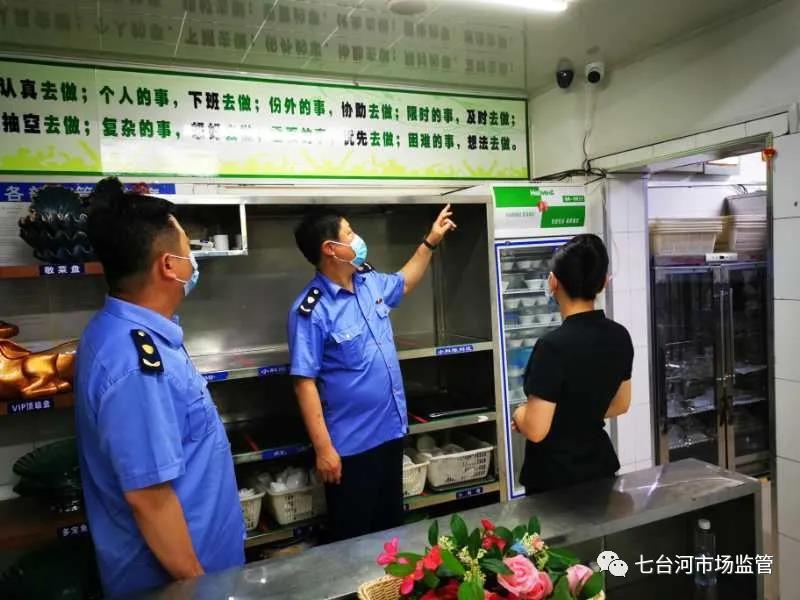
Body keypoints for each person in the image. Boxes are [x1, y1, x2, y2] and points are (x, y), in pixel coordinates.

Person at [74, 178, 244, 597]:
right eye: (188, 250)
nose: (193, 260)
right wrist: (199, 585)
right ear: (169, 265)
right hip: (179, 583)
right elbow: (149, 499)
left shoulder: (127, 332)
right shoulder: (135, 363)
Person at [287, 205, 456, 541]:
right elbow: (304, 383)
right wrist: (324, 449)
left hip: (390, 434)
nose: (358, 238)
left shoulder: (368, 281)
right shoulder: (311, 310)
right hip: (351, 448)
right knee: (355, 542)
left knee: (390, 535)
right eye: (349, 233)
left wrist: (431, 241)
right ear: (330, 248)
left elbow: (403, 282)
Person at [512, 234, 633, 495]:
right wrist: (577, 414)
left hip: (554, 481)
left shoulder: (552, 346)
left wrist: (521, 414)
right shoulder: (619, 335)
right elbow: (621, 404)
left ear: (553, 282)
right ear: (603, 283)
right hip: (600, 469)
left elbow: (536, 430)